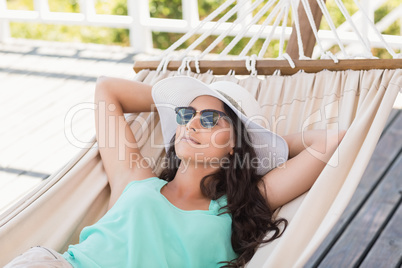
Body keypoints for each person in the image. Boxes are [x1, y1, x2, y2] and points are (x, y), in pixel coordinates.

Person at [5, 76, 346, 268]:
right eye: (185, 115)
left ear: (234, 144)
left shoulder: (240, 206)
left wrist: (253, 144)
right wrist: (172, 106)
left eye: (211, 119)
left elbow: (331, 142)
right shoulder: (136, 180)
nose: (192, 123)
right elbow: (107, 90)